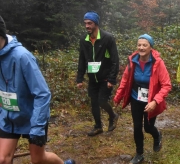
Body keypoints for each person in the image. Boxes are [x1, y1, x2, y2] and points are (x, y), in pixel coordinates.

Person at [0, 16, 75, 164]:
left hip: (32, 116)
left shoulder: (23, 56)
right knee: (2, 159)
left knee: (39, 159)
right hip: (9, 116)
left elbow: (42, 93)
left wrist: (37, 127)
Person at [114, 34, 171, 164]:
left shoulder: (158, 63)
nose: (141, 47)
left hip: (152, 101)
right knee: (137, 127)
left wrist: (155, 101)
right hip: (136, 98)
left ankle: (157, 136)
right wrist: (118, 97)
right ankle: (139, 154)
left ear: (151, 47)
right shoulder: (133, 60)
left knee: (148, 128)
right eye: (139, 45)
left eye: (144, 45)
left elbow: (166, 85)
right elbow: (124, 80)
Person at [76, 11, 119, 136]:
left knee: (102, 101)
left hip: (105, 77)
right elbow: (82, 59)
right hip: (92, 78)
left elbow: (115, 60)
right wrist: (80, 78)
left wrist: (112, 78)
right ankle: (98, 126)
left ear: (96, 24)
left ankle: (113, 115)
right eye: (85, 23)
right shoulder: (84, 40)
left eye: (90, 23)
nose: (87, 26)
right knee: (93, 102)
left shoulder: (107, 38)